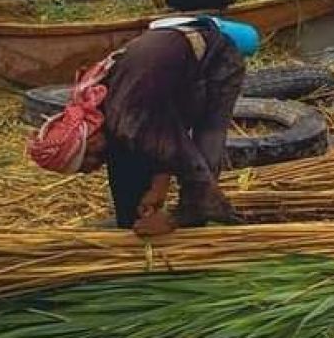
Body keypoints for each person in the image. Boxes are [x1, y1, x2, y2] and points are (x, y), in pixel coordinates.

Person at [27, 17, 258, 235]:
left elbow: (192, 164)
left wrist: (174, 220)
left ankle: (202, 227)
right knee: (124, 149)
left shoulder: (127, 118)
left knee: (207, 144)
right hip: (166, 77)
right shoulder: (107, 107)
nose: (92, 170)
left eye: (85, 165)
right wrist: (158, 188)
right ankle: (131, 218)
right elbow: (164, 130)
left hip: (216, 60)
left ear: (92, 141)